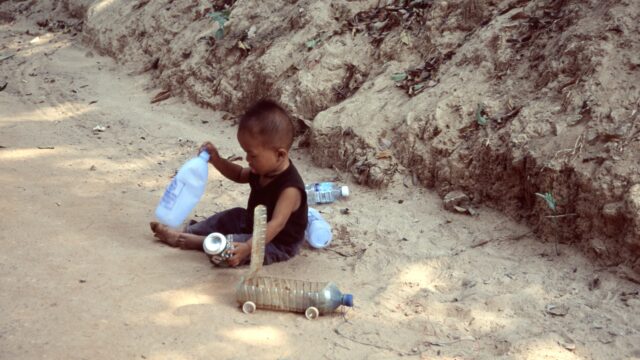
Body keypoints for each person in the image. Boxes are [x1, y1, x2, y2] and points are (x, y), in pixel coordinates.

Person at [150, 99, 308, 267]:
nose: (248, 160)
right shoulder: (261, 169)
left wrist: (248, 247)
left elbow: (276, 225)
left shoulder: (290, 189)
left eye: (252, 155)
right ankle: (190, 232)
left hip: (277, 243)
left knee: (233, 244)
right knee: (232, 216)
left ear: (280, 155)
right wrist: (217, 160)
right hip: (252, 224)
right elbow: (239, 174)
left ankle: (194, 241)